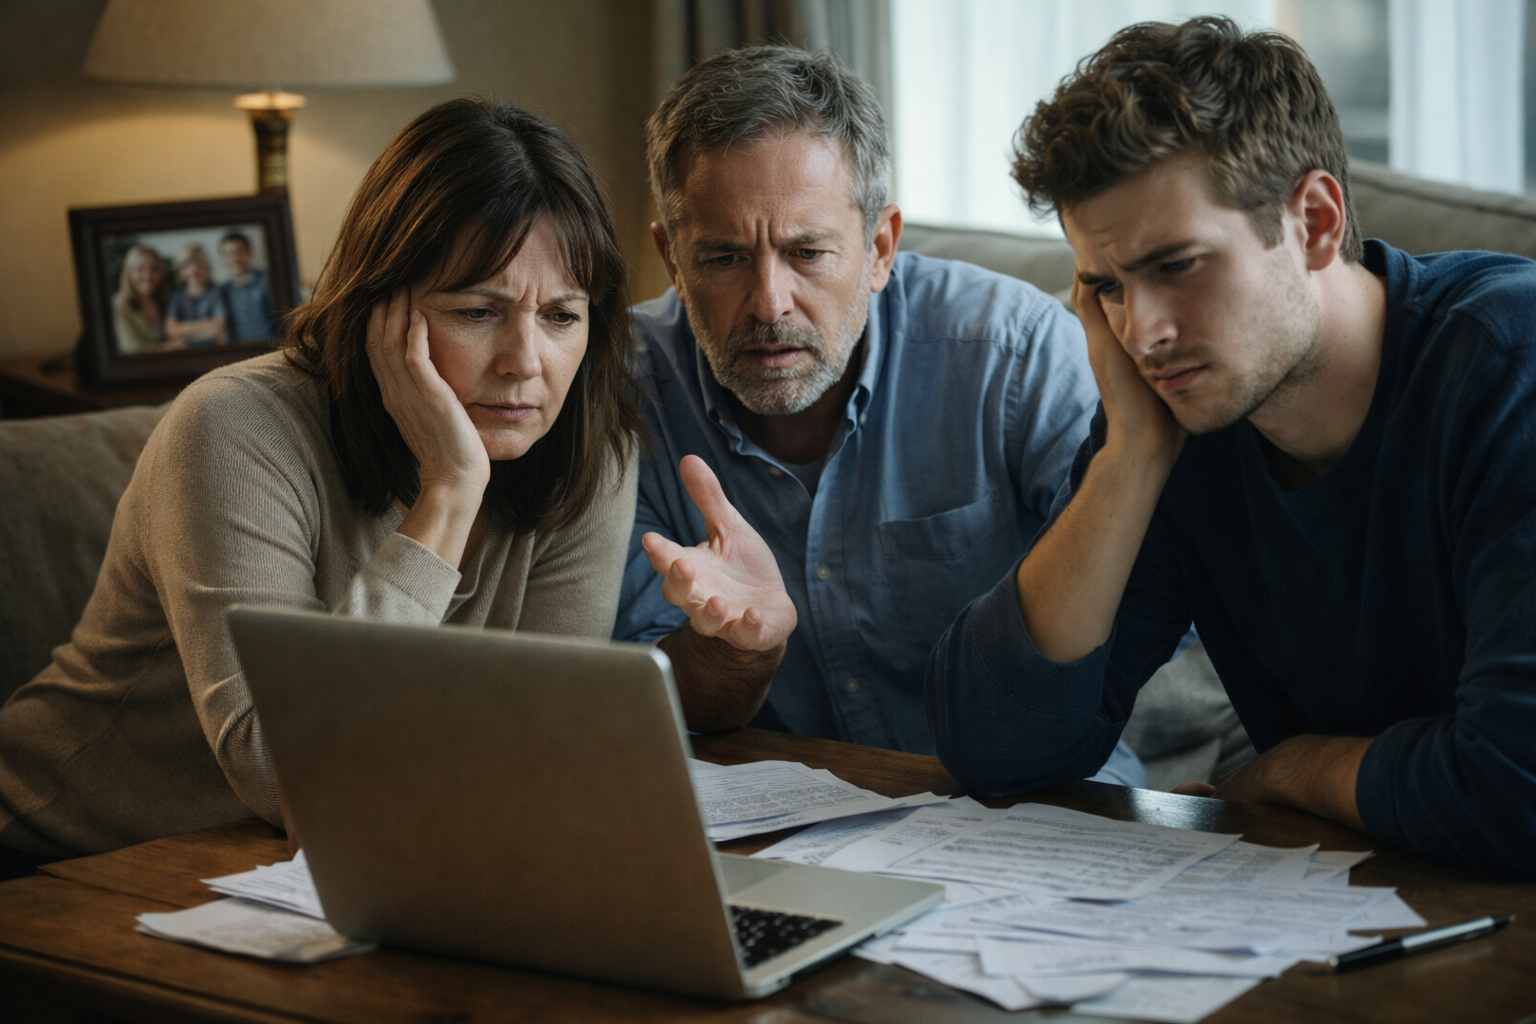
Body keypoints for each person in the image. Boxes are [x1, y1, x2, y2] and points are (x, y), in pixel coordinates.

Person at [927, 17, 1536, 877]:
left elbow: (1517, 787)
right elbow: (997, 750)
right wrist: (1131, 456)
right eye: (1106, 286)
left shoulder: (1510, 366)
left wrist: (1297, 766)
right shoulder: (1180, 417)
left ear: (1316, 222)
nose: (1143, 332)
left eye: (1177, 265)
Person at [0, 98, 642, 866]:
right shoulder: (232, 427)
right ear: (382, 310)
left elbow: (536, 745)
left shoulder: (587, 451)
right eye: (478, 311)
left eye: (562, 317)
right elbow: (290, 771)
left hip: (305, 866)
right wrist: (446, 494)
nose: (525, 363)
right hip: (63, 860)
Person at [613, 46, 1143, 784]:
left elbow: (1145, 610)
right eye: (725, 258)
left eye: (807, 252)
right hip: (790, 842)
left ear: (880, 247)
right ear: (672, 260)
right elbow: (649, 701)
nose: (769, 303)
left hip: (1032, 811)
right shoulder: (620, 394)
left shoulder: (1013, 354)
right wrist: (739, 649)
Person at [164, 243, 229, 347]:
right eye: (186, 266)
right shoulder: (177, 295)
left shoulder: (216, 291)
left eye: (199, 265)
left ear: (207, 266)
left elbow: (218, 327)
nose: (193, 271)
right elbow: (170, 330)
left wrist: (182, 331)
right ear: (179, 270)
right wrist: (207, 324)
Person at [110, 244, 169, 354]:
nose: (147, 276)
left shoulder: (166, 301)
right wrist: (165, 348)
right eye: (140, 269)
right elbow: (130, 348)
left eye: (154, 269)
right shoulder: (118, 305)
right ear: (129, 273)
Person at [219, 232, 276, 340]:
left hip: (271, 346)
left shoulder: (267, 281)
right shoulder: (224, 289)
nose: (235, 259)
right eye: (230, 254)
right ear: (224, 258)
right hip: (241, 351)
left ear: (250, 252)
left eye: (239, 252)